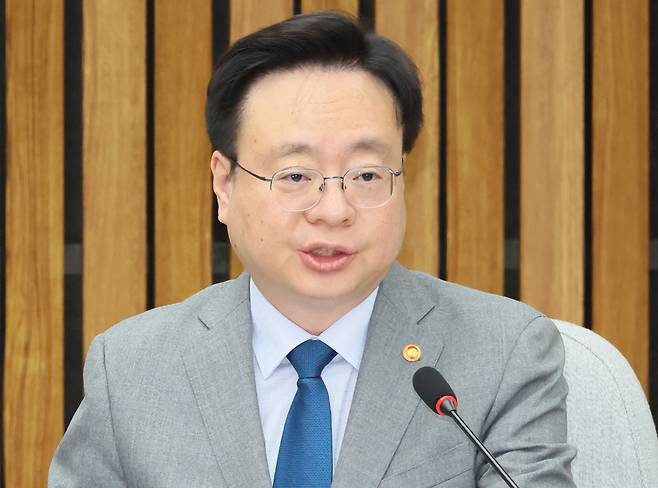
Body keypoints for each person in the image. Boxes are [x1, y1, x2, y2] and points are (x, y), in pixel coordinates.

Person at [49, 11, 576, 488]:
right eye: (295, 175)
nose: (333, 210)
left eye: (367, 174)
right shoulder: (132, 370)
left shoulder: (502, 354)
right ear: (225, 185)